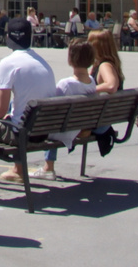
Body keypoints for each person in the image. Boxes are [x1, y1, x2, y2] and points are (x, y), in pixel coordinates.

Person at [0, 17, 58, 196]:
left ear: (9, 37)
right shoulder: (42, 62)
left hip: (21, 134)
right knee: (7, 119)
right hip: (43, 131)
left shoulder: (8, 63)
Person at [39, 41, 100, 177]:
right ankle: (48, 167)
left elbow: (54, 111)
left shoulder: (66, 84)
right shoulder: (91, 81)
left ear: (71, 59)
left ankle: (48, 167)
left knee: (48, 123)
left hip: (66, 130)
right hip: (80, 125)